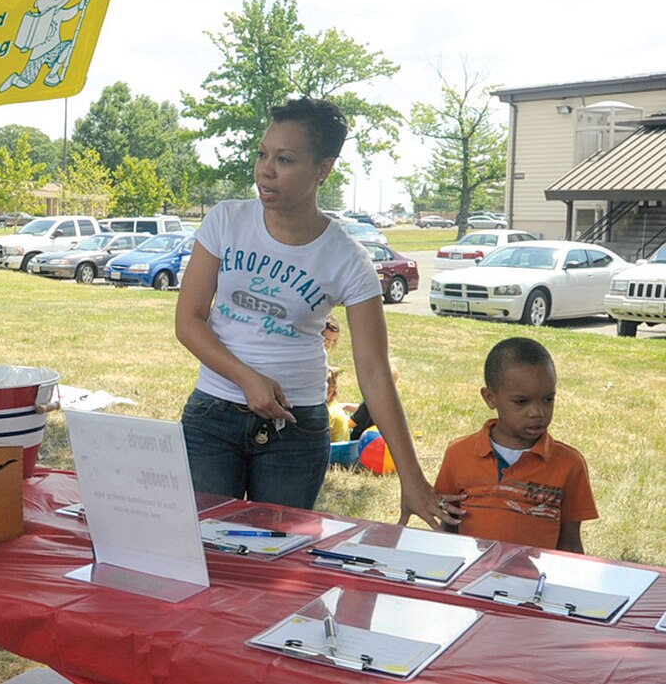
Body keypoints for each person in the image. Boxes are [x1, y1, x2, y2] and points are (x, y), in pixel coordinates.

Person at [175, 96, 458, 527]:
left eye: (285, 159)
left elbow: (376, 373)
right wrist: (247, 378)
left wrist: (411, 478)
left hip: (296, 430)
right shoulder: (225, 221)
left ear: (323, 169)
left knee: (276, 561)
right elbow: (189, 321)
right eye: (262, 154)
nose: (265, 170)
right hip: (213, 415)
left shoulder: (348, 258)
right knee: (205, 549)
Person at [434, 337, 597, 553]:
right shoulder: (459, 454)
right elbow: (448, 525)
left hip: (535, 583)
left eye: (548, 400)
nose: (537, 412)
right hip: (469, 577)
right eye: (522, 401)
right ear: (490, 398)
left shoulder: (569, 464)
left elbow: (570, 541)